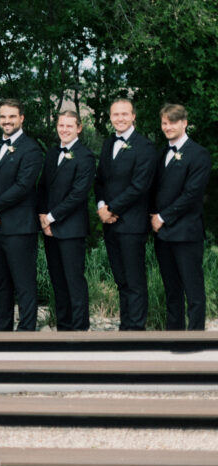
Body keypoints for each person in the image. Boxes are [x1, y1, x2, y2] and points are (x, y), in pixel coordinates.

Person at [0, 99, 44, 331]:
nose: (7, 121)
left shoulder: (32, 149)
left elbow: (22, 187)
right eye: (3, 117)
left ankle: (26, 333)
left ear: (21, 118)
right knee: (1, 283)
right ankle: (1, 331)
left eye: (12, 116)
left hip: (19, 228)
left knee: (23, 283)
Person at [95, 98, 156, 330]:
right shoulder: (108, 143)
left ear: (133, 117)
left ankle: (137, 333)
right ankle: (125, 329)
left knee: (134, 281)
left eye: (124, 114)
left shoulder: (145, 146)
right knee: (121, 281)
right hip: (110, 224)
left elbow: (139, 187)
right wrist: (101, 206)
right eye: (115, 114)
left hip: (132, 224)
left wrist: (112, 209)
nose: (119, 118)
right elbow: (100, 180)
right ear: (110, 117)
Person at [151, 104, 212, 330]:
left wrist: (163, 217)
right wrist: (152, 215)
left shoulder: (199, 154)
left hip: (186, 233)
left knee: (193, 290)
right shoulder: (161, 154)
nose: (168, 127)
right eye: (165, 123)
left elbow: (191, 195)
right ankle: (173, 337)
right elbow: (156, 189)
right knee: (172, 290)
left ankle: (195, 339)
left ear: (184, 123)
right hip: (163, 234)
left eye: (173, 122)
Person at [37, 110, 94, 331]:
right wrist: (43, 216)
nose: (64, 129)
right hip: (49, 228)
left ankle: (79, 331)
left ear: (78, 128)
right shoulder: (52, 154)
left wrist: (51, 217)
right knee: (58, 282)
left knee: (74, 282)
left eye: (69, 126)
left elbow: (78, 194)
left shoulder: (85, 156)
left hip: (71, 229)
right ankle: (63, 329)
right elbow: (42, 187)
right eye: (61, 125)